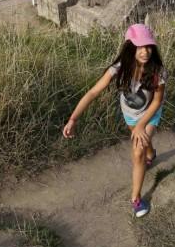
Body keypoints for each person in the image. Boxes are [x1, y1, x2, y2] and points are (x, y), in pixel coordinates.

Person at [62, 24, 166, 218]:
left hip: (150, 114)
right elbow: (93, 92)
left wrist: (142, 124)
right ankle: (151, 153)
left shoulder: (157, 71)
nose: (145, 51)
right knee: (144, 144)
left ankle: (135, 199)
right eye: (140, 46)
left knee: (137, 152)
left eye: (149, 46)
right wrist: (73, 119)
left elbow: (158, 100)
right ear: (130, 47)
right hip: (130, 115)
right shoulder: (118, 69)